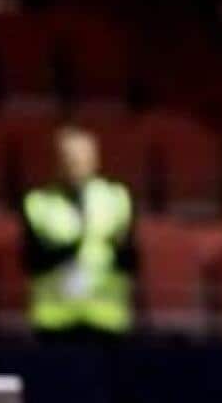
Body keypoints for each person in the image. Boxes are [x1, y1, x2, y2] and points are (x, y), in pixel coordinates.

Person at [20, 126, 137, 344]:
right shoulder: (37, 203)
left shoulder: (117, 198)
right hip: (55, 322)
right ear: (58, 162)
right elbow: (31, 261)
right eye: (69, 158)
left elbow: (131, 260)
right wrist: (73, 247)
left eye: (83, 157)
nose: (76, 165)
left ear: (96, 159)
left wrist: (116, 247)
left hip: (107, 320)